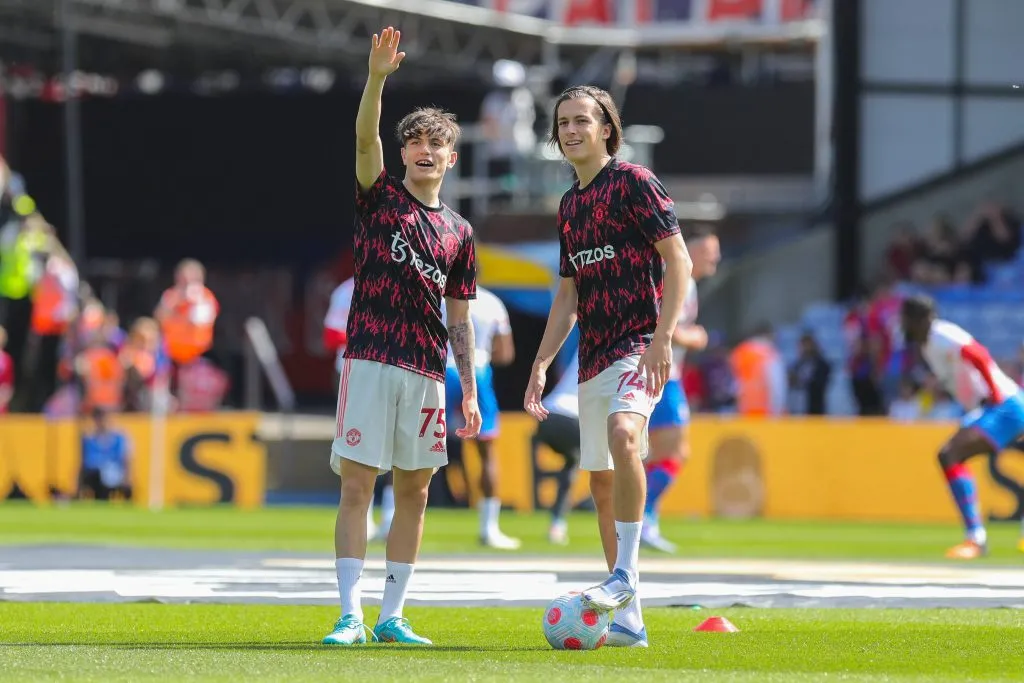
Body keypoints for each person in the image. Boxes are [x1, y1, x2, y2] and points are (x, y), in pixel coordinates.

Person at [323, 26, 480, 647]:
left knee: (415, 490)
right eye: (413, 141)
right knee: (358, 485)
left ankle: (392, 615)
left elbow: (460, 319)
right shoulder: (380, 197)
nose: (422, 150)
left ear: (451, 158)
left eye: (434, 143)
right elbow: (364, 136)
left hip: (424, 371)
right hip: (368, 359)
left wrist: (468, 390)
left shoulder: (461, 234)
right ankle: (349, 615)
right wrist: (378, 78)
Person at [524, 85, 692, 648]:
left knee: (626, 434)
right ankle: (631, 620)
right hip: (593, 358)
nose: (571, 130)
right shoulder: (570, 205)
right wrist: (542, 362)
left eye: (582, 121)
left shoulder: (634, 182)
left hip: (638, 343)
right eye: (562, 122)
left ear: (606, 129)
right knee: (599, 484)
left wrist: (662, 339)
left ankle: (623, 575)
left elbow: (679, 261)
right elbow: (567, 296)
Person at [900, 294, 1024, 559]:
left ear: (917, 319)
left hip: (1002, 406)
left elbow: (978, 355)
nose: (902, 324)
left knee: (950, 454)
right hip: (992, 407)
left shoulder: (941, 334)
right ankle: (977, 538)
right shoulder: (926, 345)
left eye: (905, 319)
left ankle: (976, 540)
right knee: (949, 456)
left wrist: (994, 393)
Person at [641, 224, 720, 553]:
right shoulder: (681, 280)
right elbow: (659, 323)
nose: (716, 258)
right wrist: (692, 336)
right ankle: (641, 515)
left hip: (664, 375)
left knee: (658, 455)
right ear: (695, 249)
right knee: (675, 453)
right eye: (711, 251)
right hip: (663, 376)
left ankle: (643, 517)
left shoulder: (687, 283)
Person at [442, 285, 519, 549]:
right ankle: (489, 528)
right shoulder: (492, 302)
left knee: (411, 445)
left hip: (440, 371)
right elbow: (506, 354)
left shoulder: (437, 296)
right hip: (477, 371)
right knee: (486, 451)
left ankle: (389, 521)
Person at [323, 276, 392, 542]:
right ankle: (365, 515)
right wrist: (376, 334)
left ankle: (390, 515)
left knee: (396, 445)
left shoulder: (405, 278)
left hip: (395, 370)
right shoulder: (347, 289)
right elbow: (331, 334)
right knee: (362, 445)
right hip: (355, 371)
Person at [532, 350, 582, 545]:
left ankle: (558, 522)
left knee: (572, 461)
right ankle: (558, 522)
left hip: (547, 415)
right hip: (570, 417)